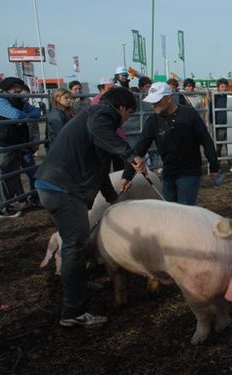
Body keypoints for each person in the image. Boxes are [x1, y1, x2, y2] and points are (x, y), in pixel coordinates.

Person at [35, 87, 147, 328]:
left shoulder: (93, 119)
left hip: (55, 185)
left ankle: (78, 284)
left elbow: (98, 169)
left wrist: (111, 197)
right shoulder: (101, 114)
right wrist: (131, 155)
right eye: (128, 114)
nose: (126, 119)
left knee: (76, 243)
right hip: (63, 188)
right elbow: (101, 132)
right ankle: (74, 311)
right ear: (122, 107)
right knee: (75, 247)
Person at [121, 82, 220, 205]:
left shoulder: (189, 114)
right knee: (170, 208)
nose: (153, 106)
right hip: (168, 172)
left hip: (189, 171)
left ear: (168, 98)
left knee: (184, 208)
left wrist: (214, 166)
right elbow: (140, 147)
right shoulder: (153, 121)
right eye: (152, 102)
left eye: (156, 101)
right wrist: (127, 175)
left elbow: (205, 140)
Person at [0, 77, 41, 218]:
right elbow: (14, 115)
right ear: (9, 87)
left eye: (19, 86)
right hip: (3, 143)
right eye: (16, 87)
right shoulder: (0, 100)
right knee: (3, 176)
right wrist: (25, 116)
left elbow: (36, 112)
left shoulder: (19, 100)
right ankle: (3, 207)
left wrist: (24, 116)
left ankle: (10, 203)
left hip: (15, 142)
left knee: (12, 176)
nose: (19, 89)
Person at [209, 78, 232, 172]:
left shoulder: (230, 98)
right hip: (218, 126)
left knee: (231, 146)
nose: (224, 88)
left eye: (225, 86)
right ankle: (216, 166)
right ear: (218, 87)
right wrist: (212, 124)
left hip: (230, 125)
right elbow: (210, 113)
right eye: (222, 86)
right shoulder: (214, 98)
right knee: (217, 147)